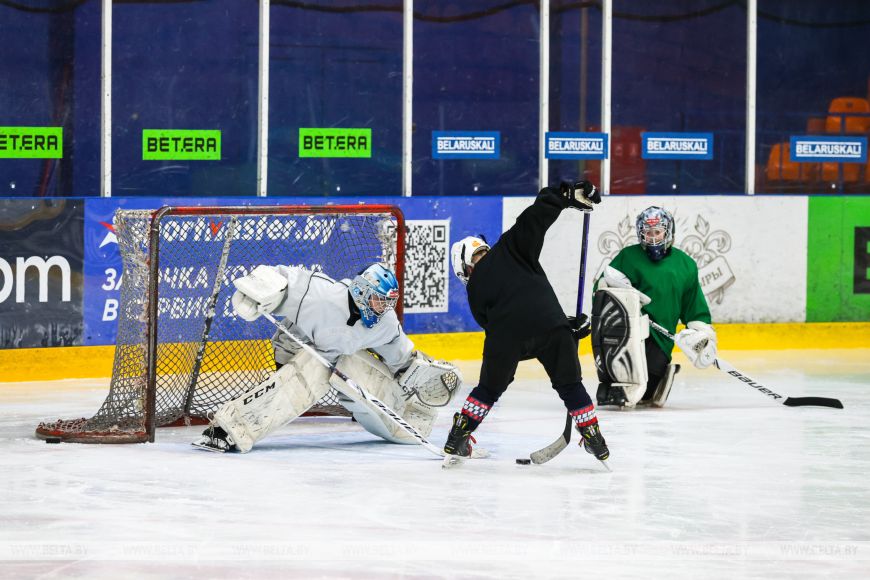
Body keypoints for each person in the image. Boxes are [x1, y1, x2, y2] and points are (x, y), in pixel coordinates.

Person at [194, 263, 462, 452]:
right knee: (319, 367)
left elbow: (402, 360)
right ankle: (230, 428)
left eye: (388, 303)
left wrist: (417, 372)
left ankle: (406, 419)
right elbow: (279, 279)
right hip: (294, 351)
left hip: (335, 361)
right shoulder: (319, 294)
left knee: (338, 365)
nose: (384, 308)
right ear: (362, 292)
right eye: (380, 301)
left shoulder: (385, 324)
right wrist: (258, 292)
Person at [444, 181, 609, 467]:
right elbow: (535, 216)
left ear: (463, 269)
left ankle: (460, 432)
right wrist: (567, 193)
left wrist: (504, 369)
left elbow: (500, 325)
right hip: (550, 325)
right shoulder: (510, 249)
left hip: (507, 337)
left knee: (488, 389)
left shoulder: (473, 290)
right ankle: (592, 433)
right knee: (570, 385)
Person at [591, 206, 716, 408]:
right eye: (648, 233)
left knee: (645, 390)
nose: (653, 238)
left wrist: (701, 336)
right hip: (626, 333)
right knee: (619, 377)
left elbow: (694, 307)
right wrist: (624, 297)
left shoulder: (685, 265)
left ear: (668, 232)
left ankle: (662, 375)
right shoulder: (627, 257)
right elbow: (601, 292)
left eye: (657, 232)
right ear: (641, 234)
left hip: (660, 338)